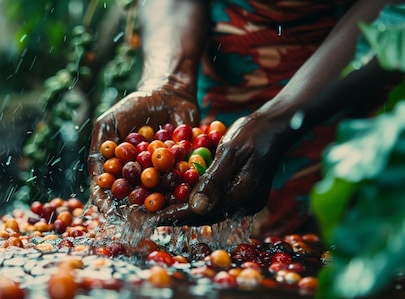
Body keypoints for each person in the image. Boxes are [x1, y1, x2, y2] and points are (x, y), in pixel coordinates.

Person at [87, 0, 402, 237]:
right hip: (220, 97)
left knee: (336, 262)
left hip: (349, 99)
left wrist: (280, 119)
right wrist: (169, 82)